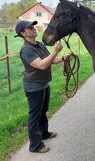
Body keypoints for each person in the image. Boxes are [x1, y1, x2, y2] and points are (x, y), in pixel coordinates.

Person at [14, 20, 71, 153]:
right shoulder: (27, 50)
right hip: (34, 87)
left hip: (43, 84)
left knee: (43, 111)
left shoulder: (39, 44)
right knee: (35, 115)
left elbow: (50, 60)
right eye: (30, 27)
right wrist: (55, 52)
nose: (34, 28)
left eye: (33, 26)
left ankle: (44, 133)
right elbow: (41, 65)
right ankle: (35, 145)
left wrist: (63, 58)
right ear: (22, 33)